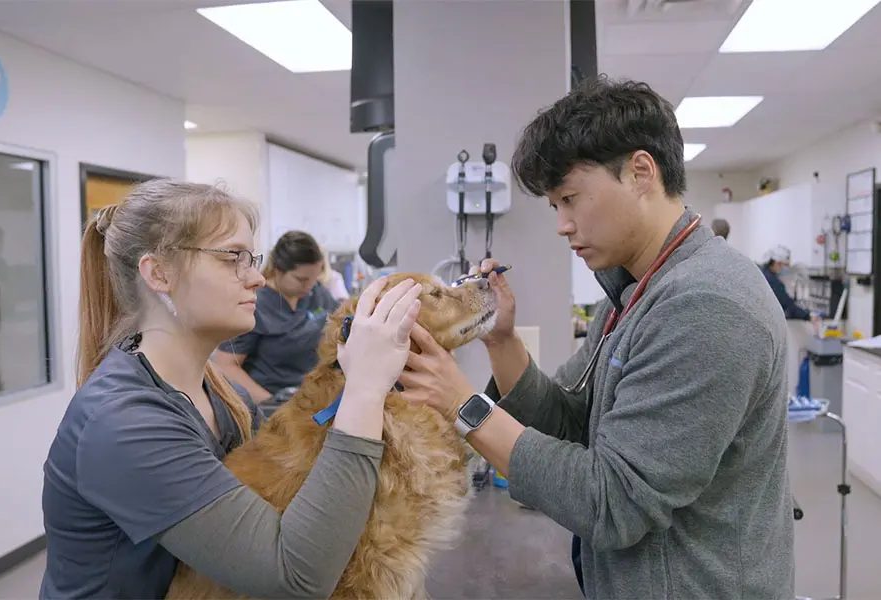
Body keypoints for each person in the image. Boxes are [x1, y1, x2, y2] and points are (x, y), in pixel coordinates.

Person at [398, 77, 795, 599]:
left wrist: (462, 406)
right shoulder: (637, 290)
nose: (562, 225)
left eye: (570, 199)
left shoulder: (706, 305)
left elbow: (613, 503)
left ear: (640, 173)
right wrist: (502, 342)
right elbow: (572, 424)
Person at [39, 179, 424, 599]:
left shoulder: (227, 399)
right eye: (233, 258)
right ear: (159, 273)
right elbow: (293, 577)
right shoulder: (124, 423)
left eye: (252, 258)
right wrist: (365, 389)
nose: (257, 278)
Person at [213, 230, 340, 416]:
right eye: (302, 279)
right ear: (278, 270)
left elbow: (340, 324)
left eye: (315, 279)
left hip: (312, 399)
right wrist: (273, 405)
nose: (310, 286)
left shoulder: (316, 293)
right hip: (271, 404)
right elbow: (226, 365)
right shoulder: (255, 305)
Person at [760, 245, 816, 321]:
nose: (785, 267)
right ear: (777, 263)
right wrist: (808, 316)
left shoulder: (762, 275)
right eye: (785, 264)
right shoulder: (773, 282)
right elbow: (788, 305)